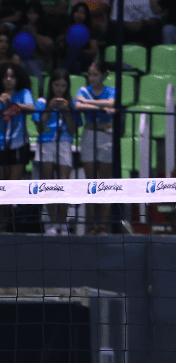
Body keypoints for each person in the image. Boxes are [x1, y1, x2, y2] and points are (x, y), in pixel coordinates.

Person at [73, 57, 116, 231]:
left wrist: (88, 102)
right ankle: (92, 223)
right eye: (90, 74)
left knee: (105, 183)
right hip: (89, 134)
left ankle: (103, 224)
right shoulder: (83, 89)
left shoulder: (112, 90)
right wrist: (101, 107)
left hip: (107, 136)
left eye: (96, 74)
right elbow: (77, 105)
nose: (92, 78)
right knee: (90, 182)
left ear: (105, 74)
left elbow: (111, 103)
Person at [34, 69, 76, 234]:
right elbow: (39, 128)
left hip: (64, 141)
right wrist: (49, 110)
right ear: (51, 85)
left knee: (64, 183)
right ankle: (51, 223)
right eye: (57, 85)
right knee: (49, 182)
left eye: (63, 85)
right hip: (46, 142)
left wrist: (66, 113)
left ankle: (62, 222)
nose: (60, 89)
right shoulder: (42, 102)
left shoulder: (71, 103)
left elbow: (72, 129)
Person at [0, 61, 34, 182]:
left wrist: (13, 104)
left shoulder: (24, 92)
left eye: (12, 76)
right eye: (5, 77)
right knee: (3, 183)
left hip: (19, 142)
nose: (8, 79)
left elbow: (31, 108)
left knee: (14, 183)